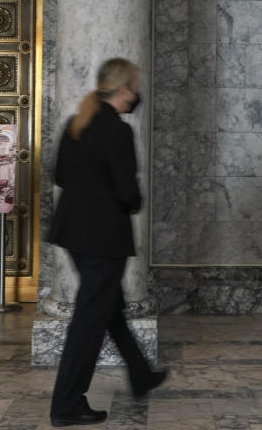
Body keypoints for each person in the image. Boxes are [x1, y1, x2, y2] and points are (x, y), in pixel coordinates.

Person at [47, 57, 167, 427]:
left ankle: (140, 373)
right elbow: (129, 194)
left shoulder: (78, 123)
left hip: (75, 233)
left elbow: (61, 176)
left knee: (108, 308)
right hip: (103, 238)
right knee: (89, 321)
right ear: (125, 89)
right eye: (135, 85)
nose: (137, 92)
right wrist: (129, 200)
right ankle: (66, 404)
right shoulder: (116, 130)